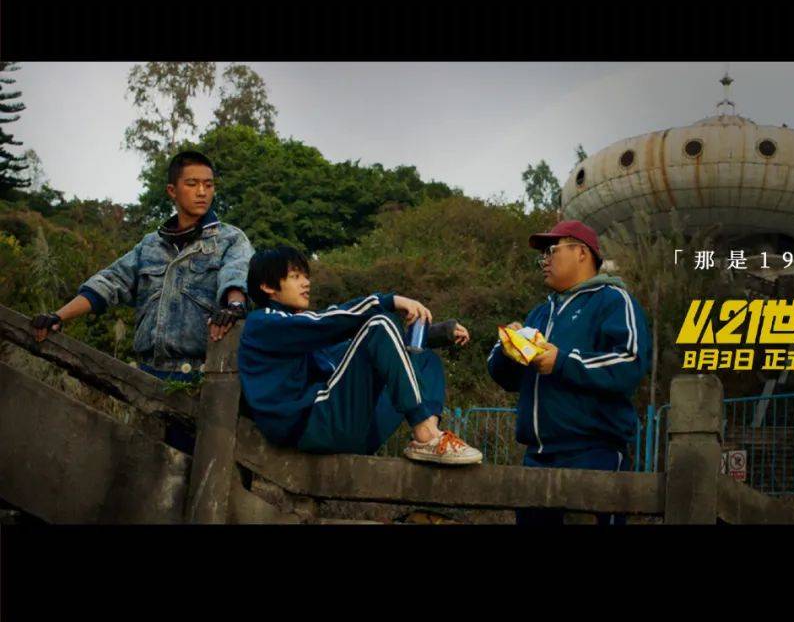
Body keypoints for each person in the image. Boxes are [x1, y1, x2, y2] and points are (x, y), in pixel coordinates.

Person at [30, 151, 254, 451]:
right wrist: (58, 316)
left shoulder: (230, 239)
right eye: (192, 184)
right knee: (136, 464)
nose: (202, 191)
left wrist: (234, 306)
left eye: (209, 184)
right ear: (172, 190)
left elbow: (236, 276)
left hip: (198, 383)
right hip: (145, 380)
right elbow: (109, 283)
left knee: (192, 470)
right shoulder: (150, 245)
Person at [239, 246, 482, 464]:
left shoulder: (300, 333)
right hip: (312, 426)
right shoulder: (263, 323)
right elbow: (328, 320)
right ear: (267, 286)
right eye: (295, 277)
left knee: (425, 358)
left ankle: (429, 437)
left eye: (306, 276)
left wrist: (437, 334)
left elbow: (354, 349)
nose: (306, 283)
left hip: (352, 428)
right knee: (380, 323)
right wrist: (390, 300)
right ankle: (426, 434)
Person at [487, 220, 650, 525]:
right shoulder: (539, 313)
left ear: (581, 253)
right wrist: (508, 350)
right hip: (536, 458)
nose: (544, 260)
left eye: (551, 250)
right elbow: (506, 379)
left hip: (592, 455)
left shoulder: (613, 300)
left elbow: (630, 362)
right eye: (542, 255)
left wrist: (563, 362)